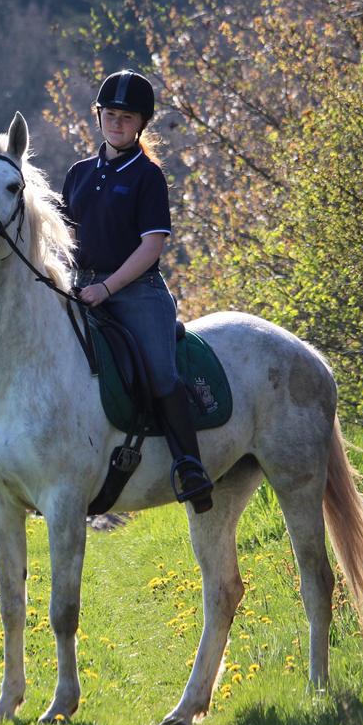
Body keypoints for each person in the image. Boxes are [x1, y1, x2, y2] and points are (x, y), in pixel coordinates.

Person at [60, 69, 216, 513]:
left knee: (161, 372)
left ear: (141, 124)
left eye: (127, 118)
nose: (117, 123)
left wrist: (107, 289)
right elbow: (63, 236)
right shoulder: (78, 173)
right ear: (99, 116)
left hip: (135, 291)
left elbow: (152, 247)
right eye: (110, 115)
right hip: (79, 286)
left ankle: (189, 464)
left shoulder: (147, 176)